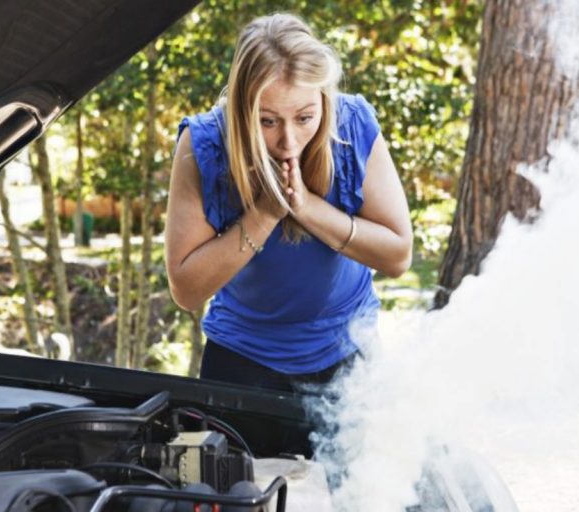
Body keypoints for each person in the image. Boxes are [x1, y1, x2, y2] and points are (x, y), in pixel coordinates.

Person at [165, 13, 412, 393]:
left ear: (323, 100)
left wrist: (309, 208)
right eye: (267, 121)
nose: (289, 141)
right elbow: (187, 291)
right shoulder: (204, 144)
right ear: (240, 110)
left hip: (349, 357)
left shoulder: (354, 125)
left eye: (305, 118)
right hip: (241, 361)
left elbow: (398, 256)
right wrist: (264, 214)